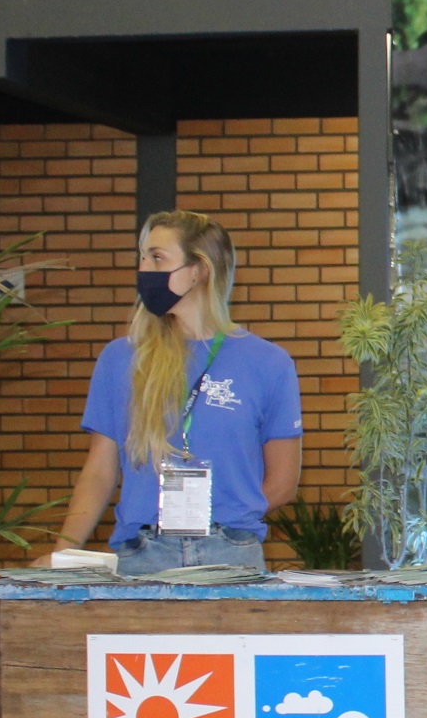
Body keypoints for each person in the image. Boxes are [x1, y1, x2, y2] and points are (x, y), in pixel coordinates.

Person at [49, 211, 302, 574]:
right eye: (142, 258)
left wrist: (221, 521)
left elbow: (283, 483)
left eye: (157, 257)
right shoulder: (121, 358)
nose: (143, 269)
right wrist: (64, 552)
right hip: (140, 555)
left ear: (199, 269)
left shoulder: (269, 363)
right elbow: (100, 471)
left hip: (230, 557)